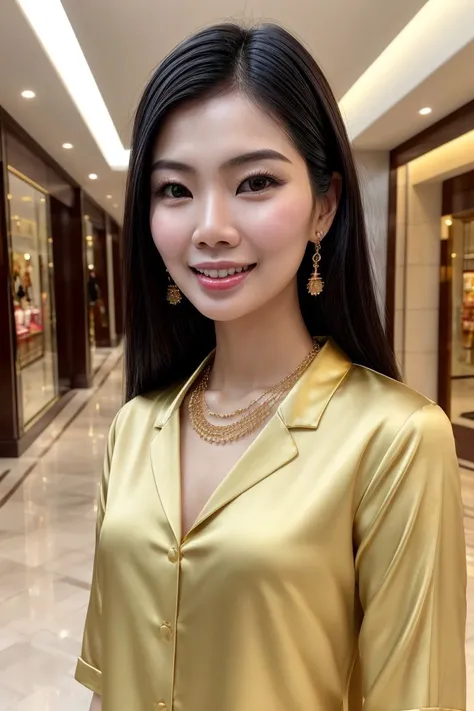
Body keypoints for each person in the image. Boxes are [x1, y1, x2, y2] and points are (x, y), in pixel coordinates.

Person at [75, 22, 467, 711]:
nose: (210, 225)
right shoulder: (134, 428)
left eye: (254, 181)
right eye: (175, 190)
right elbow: (109, 684)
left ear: (324, 205)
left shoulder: (395, 439)